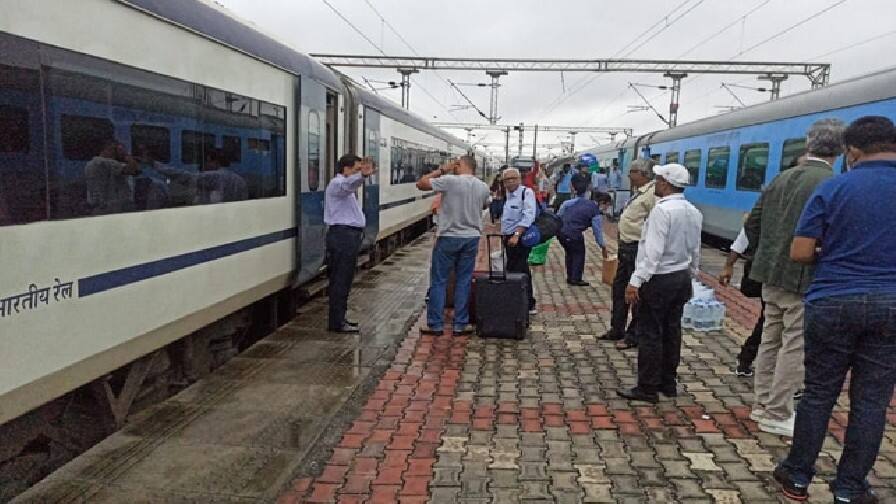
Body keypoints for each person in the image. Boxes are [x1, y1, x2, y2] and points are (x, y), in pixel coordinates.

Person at [772, 116, 896, 504]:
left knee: (819, 394)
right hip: (892, 304)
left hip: (833, 300)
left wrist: (833, 252)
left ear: (852, 151)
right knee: (871, 402)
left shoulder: (834, 186)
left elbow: (800, 252)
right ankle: (849, 487)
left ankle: (797, 476)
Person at [744, 118, 845, 437]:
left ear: (808, 144)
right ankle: (778, 411)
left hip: (770, 274)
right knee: (794, 345)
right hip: (804, 277)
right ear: (841, 150)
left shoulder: (782, 177)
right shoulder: (832, 182)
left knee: (770, 339)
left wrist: (765, 254)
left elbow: (752, 223)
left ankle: (761, 403)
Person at [617, 164, 702, 403]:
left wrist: (635, 281)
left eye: (657, 179)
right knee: (672, 331)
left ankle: (647, 387)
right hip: (681, 277)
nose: (655, 183)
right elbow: (695, 249)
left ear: (665, 183)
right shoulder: (693, 211)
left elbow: (652, 252)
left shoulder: (662, 211)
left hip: (659, 278)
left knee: (651, 333)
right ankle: (668, 382)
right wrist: (692, 275)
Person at [416, 155, 490, 334]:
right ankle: (460, 324)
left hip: (449, 236)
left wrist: (443, 169)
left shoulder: (450, 181)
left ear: (460, 165)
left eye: (456, 164)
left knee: (439, 280)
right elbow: (484, 206)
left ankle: (436, 324)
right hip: (471, 237)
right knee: (464, 280)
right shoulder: (483, 186)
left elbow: (421, 183)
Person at [599, 158, 657, 350]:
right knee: (619, 289)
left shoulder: (652, 194)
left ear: (643, 174)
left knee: (635, 293)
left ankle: (634, 335)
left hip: (637, 249)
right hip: (625, 248)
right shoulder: (640, 192)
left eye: (632, 172)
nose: (629, 175)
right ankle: (617, 329)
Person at [324, 154, 375, 333]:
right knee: (340, 280)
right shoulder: (337, 184)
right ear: (346, 169)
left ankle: (340, 318)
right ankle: (337, 322)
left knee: (344, 279)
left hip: (346, 237)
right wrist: (363, 176)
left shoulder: (344, 188)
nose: (358, 172)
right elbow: (348, 184)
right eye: (356, 169)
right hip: (342, 237)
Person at [718, 224, 765, 377]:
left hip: (767, 275)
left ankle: (746, 360)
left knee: (768, 321)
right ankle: (747, 360)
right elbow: (743, 238)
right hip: (776, 279)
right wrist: (728, 266)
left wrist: (728, 265)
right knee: (769, 321)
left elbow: (741, 240)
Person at [557, 174, 609, 286]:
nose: (606, 209)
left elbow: (559, 216)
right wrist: (603, 246)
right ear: (602, 203)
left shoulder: (569, 203)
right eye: (606, 206)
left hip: (561, 233)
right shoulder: (594, 210)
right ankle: (576, 278)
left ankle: (570, 276)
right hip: (574, 233)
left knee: (570, 253)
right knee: (578, 254)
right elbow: (597, 231)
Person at [501, 167, 538, 314]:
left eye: (513, 178)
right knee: (513, 268)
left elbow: (528, 215)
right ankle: (518, 300)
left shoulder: (526, 193)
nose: (510, 182)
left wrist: (517, 234)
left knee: (520, 268)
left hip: (520, 238)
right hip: (508, 237)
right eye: (507, 180)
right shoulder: (507, 194)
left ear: (519, 179)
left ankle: (528, 303)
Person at [85, 139, 140, 215]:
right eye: (114, 150)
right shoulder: (108, 163)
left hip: (97, 206)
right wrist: (126, 155)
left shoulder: (90, 164)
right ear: (108, 149)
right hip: (113, 207)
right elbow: (133, 170)